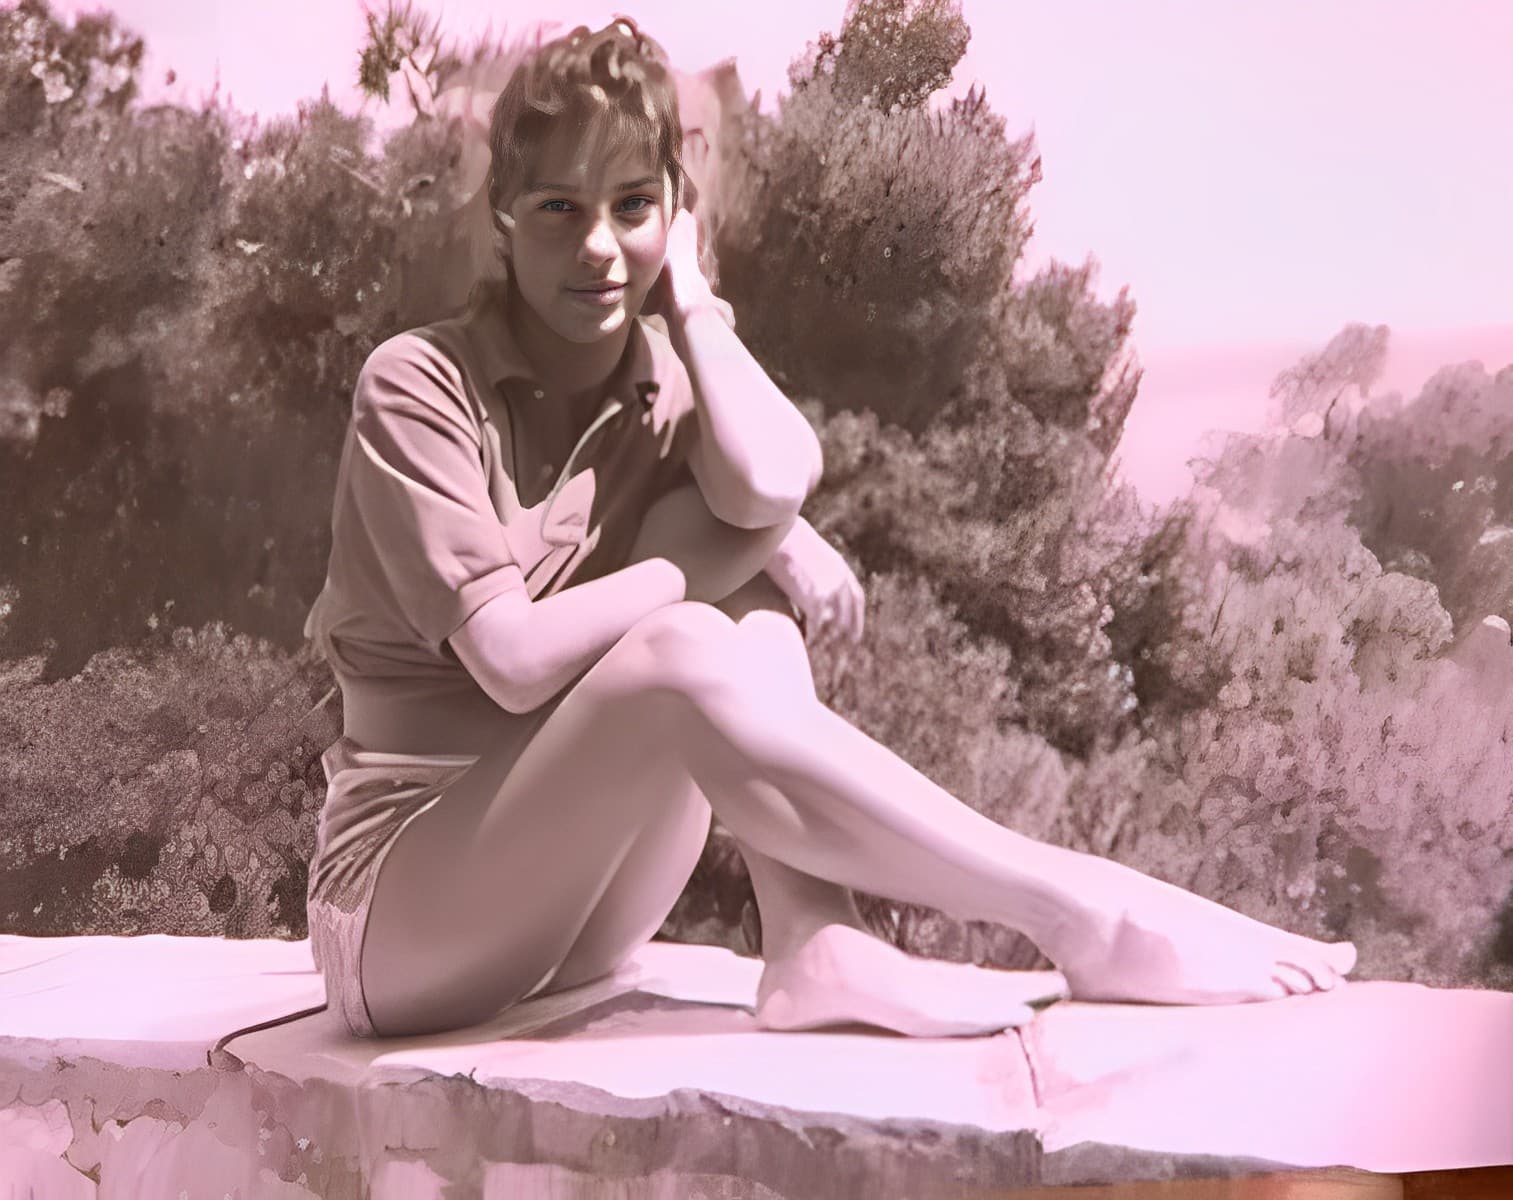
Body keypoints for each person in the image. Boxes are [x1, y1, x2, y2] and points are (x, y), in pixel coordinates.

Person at [300, 17, 1357, 1040]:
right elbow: (513, 660)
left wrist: (694, 306)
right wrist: (693, 566)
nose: (598, 247)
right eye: (557, 208)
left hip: (572, 919)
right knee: (692, 625)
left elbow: (773, 478)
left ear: (675, 210)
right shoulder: (418, 384)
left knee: (740, 580)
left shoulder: (660, 380)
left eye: (632, 205)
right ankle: (1078, 909)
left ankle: (815, 937)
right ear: (502, 215)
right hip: (404, 918)